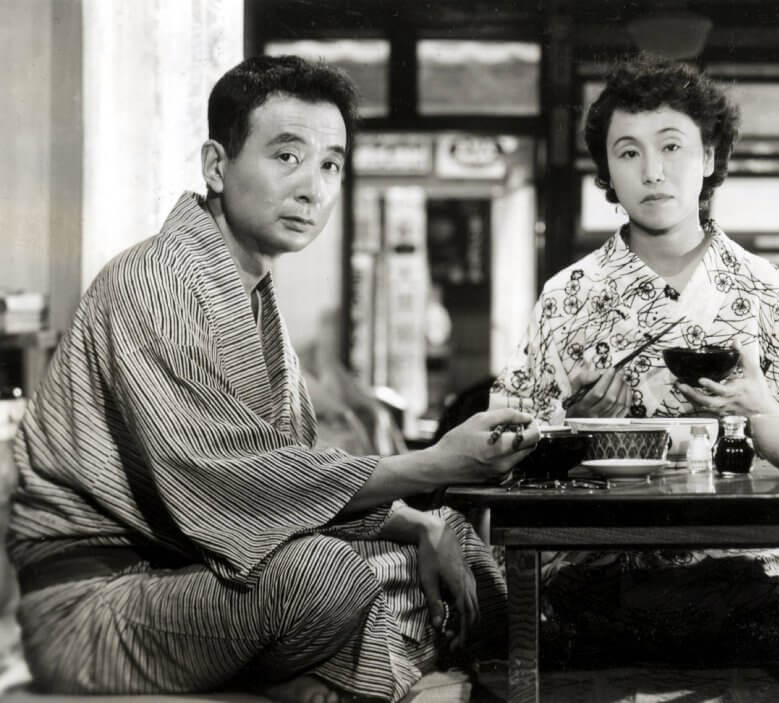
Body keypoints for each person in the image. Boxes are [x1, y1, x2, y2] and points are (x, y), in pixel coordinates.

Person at [8, 55, 540, 703]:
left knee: (459, 547)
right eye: (287, 156)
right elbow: (229, 485)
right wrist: (433, 463)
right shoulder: (154, 281)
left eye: (331, 165)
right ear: (216, 165)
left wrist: (418, 523)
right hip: (96, 602)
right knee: (323, 576)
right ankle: (326, 669)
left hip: (199, 577)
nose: (313, 188)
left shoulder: (249, 290)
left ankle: (324, 666)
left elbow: (287, 481)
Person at [491, 55, 779, 665]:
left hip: (752, 561)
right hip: (600, 563)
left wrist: (765, 412)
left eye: (672, 146)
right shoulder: (569, 295)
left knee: (770, 605)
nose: (653, 171)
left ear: (710, 157)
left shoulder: (766, 289)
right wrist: (574, 426)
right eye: (629, 152)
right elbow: (502, 444)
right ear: (608, 171)